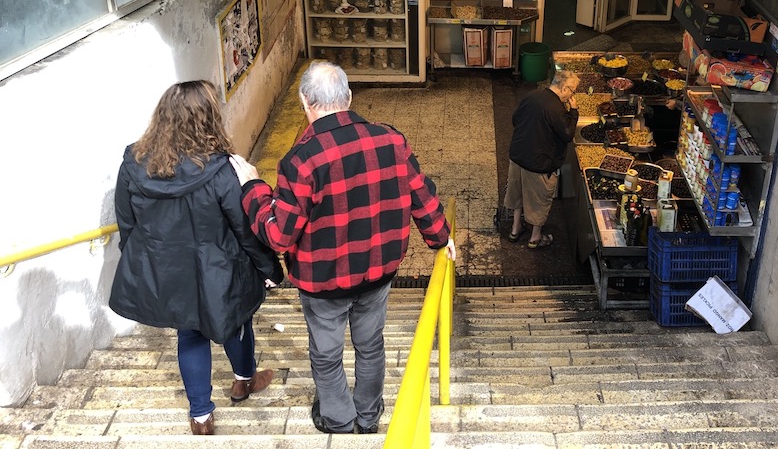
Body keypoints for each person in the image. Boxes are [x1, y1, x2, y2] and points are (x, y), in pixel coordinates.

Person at [230, 60, 456, 435]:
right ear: (348, 97)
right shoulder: (390, 139)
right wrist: (441, 237)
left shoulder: (301, 160)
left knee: (326, 355)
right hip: (378, 273)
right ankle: (368, 418)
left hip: (324, 283)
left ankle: (337, 420)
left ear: (305, 100)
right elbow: (421, 194)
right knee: (371, 347)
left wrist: (252, 188)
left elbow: (280, 235)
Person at [108, 80, 284, 436]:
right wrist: (270, 269)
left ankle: (201, 416)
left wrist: (147, 266)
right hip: (218, 270)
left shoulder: (133, 162)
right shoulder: (222, 170)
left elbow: (128, 224)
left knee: (189, 334)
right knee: (235, 321)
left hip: (169, 273)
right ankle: (243, 381)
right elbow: (244, 228)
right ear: (209, 118)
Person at [504, 69, 580, 249]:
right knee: (539, 199)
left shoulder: (532, 95)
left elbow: (516, 119)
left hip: (518, 156)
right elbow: (568, 134)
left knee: (518, 192)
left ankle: (515, 229)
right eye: (573, 91)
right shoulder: (557, 109)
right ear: (564, 88)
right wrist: (574, 111)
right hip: (540, 163)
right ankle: (535, 237)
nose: (572, 95)